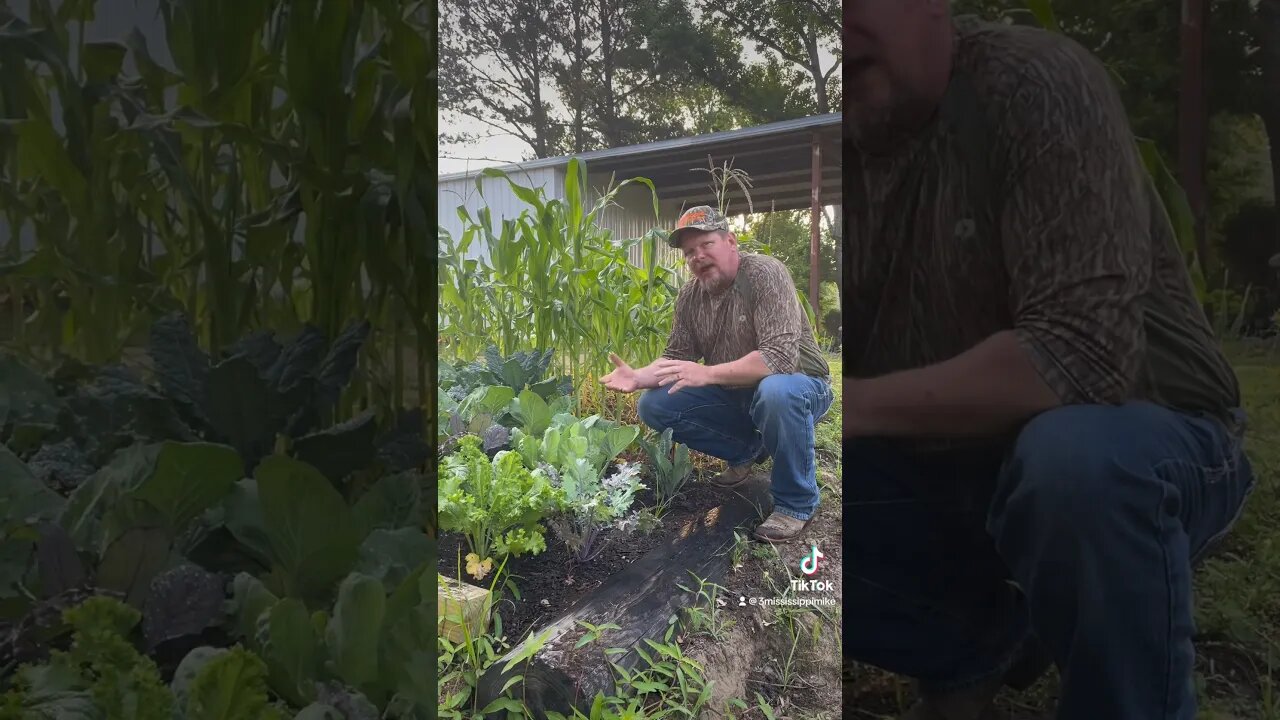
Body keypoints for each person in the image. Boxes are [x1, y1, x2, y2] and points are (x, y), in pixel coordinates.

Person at [846, 2, 1254, 719]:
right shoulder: (841, 154)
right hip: (954, 467)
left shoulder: (1033, 85)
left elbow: (1080, 354)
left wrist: (848, 406)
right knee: (753, 477)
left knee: (1074, 464)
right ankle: (969, 645)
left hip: (1146, 435)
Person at [600, 205, 833, 543]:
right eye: (690, 252)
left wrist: (707, 374)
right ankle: (746, 451)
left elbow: (778, 359)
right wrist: (638, 377)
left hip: (801, 385)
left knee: (777, 392)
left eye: (706, 244)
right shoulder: (690, 296)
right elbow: (675, 359)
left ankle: (796, 504)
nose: (698, 256)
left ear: (731, 241)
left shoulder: (764, 273)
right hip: (738, 391)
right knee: (655, 404)